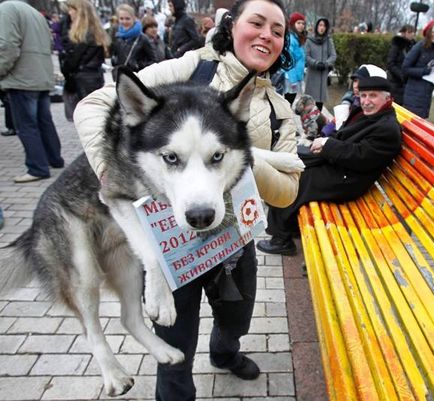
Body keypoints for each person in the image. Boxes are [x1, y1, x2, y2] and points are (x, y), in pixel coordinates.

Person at [73, 1, 301, 399]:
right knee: (176, 340)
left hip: (234, 243)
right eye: (257, 23)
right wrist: (113, 172)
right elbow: (93, 105)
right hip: (172, 245)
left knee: (236, 318)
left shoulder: (278, 108)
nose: (267, 35)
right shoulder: (190, 68)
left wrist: (242, 155)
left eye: (277, 30)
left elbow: (288, 191)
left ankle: (225, 353)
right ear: (232, 26)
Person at [257, 73, 403, 255]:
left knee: (297, 180)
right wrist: (325, 142)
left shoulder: (388, 129)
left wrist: (327, 145)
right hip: (340, 166)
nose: (366, 101)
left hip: (349, 179)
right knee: (291, 161)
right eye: (364, 95)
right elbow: (344, 135)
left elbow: (360, 157)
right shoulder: (371, 114)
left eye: (373, 96)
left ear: (388, 98)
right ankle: (289, 226)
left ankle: (282, 239)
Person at [0, 0, 64, 183]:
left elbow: (7, 46)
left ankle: (37, 167)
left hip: (22, 78)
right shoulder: (34, 13)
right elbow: (49, 42)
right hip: (40, 75)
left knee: (26, 126)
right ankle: (54, 158)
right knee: (44, 121)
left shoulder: (6, 10)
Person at [61, 0, 109, 121]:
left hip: (84, 80)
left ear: (80, 12)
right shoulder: (93, 32)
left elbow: (72, 62)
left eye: (72, 9)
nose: (70, 13)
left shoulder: (85, 35)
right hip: (91, 78)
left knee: (88, 118)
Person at [401, 20, 434, 119]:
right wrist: (424, 71)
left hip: (426, 96)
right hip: (413, 95)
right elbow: (405, 68)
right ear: (428, 32)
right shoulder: (419, 47)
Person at [111, 4, 157, 79]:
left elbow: (154, 60)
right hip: (121, 78)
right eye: (121, 19)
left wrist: (138, 65)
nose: (124, 21)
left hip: (138, 78)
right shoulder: (117, 37)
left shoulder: (142, 38)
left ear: (134, 18)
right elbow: (115, 57)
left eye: (127, 18)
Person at [304, 17, 336, 111]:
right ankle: (308, 122)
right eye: (320, 25)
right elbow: (306, 56)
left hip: (322, 75)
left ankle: (319, 123)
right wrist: (316, 63)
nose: (322, 28)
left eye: (324, 26)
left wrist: (326, 63)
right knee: (309, 102)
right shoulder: (309, 40)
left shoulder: (328, 41)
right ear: (317, 26)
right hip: (312, 75)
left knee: (319, 105)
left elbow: (333, 55)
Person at [387, 24, 416, 105]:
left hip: (407, 83)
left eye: (413, 32)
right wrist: (400, 74)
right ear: (403, 33)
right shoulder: (396, 46)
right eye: (410, 32)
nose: (412, 34)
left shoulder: (414, 47)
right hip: (395, 82)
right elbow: (390, 63)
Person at [282, 11, 306, 105]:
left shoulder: (298, 37)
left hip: (297, 76)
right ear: (293, 24)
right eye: (298, 23)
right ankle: (284, 119)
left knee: (290, 102)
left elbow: (300, 57)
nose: (301, 25)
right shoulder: (292, 39)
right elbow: (289, 60)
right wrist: (293, 80)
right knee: (288, 102)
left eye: (303, 23)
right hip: (291, 78)